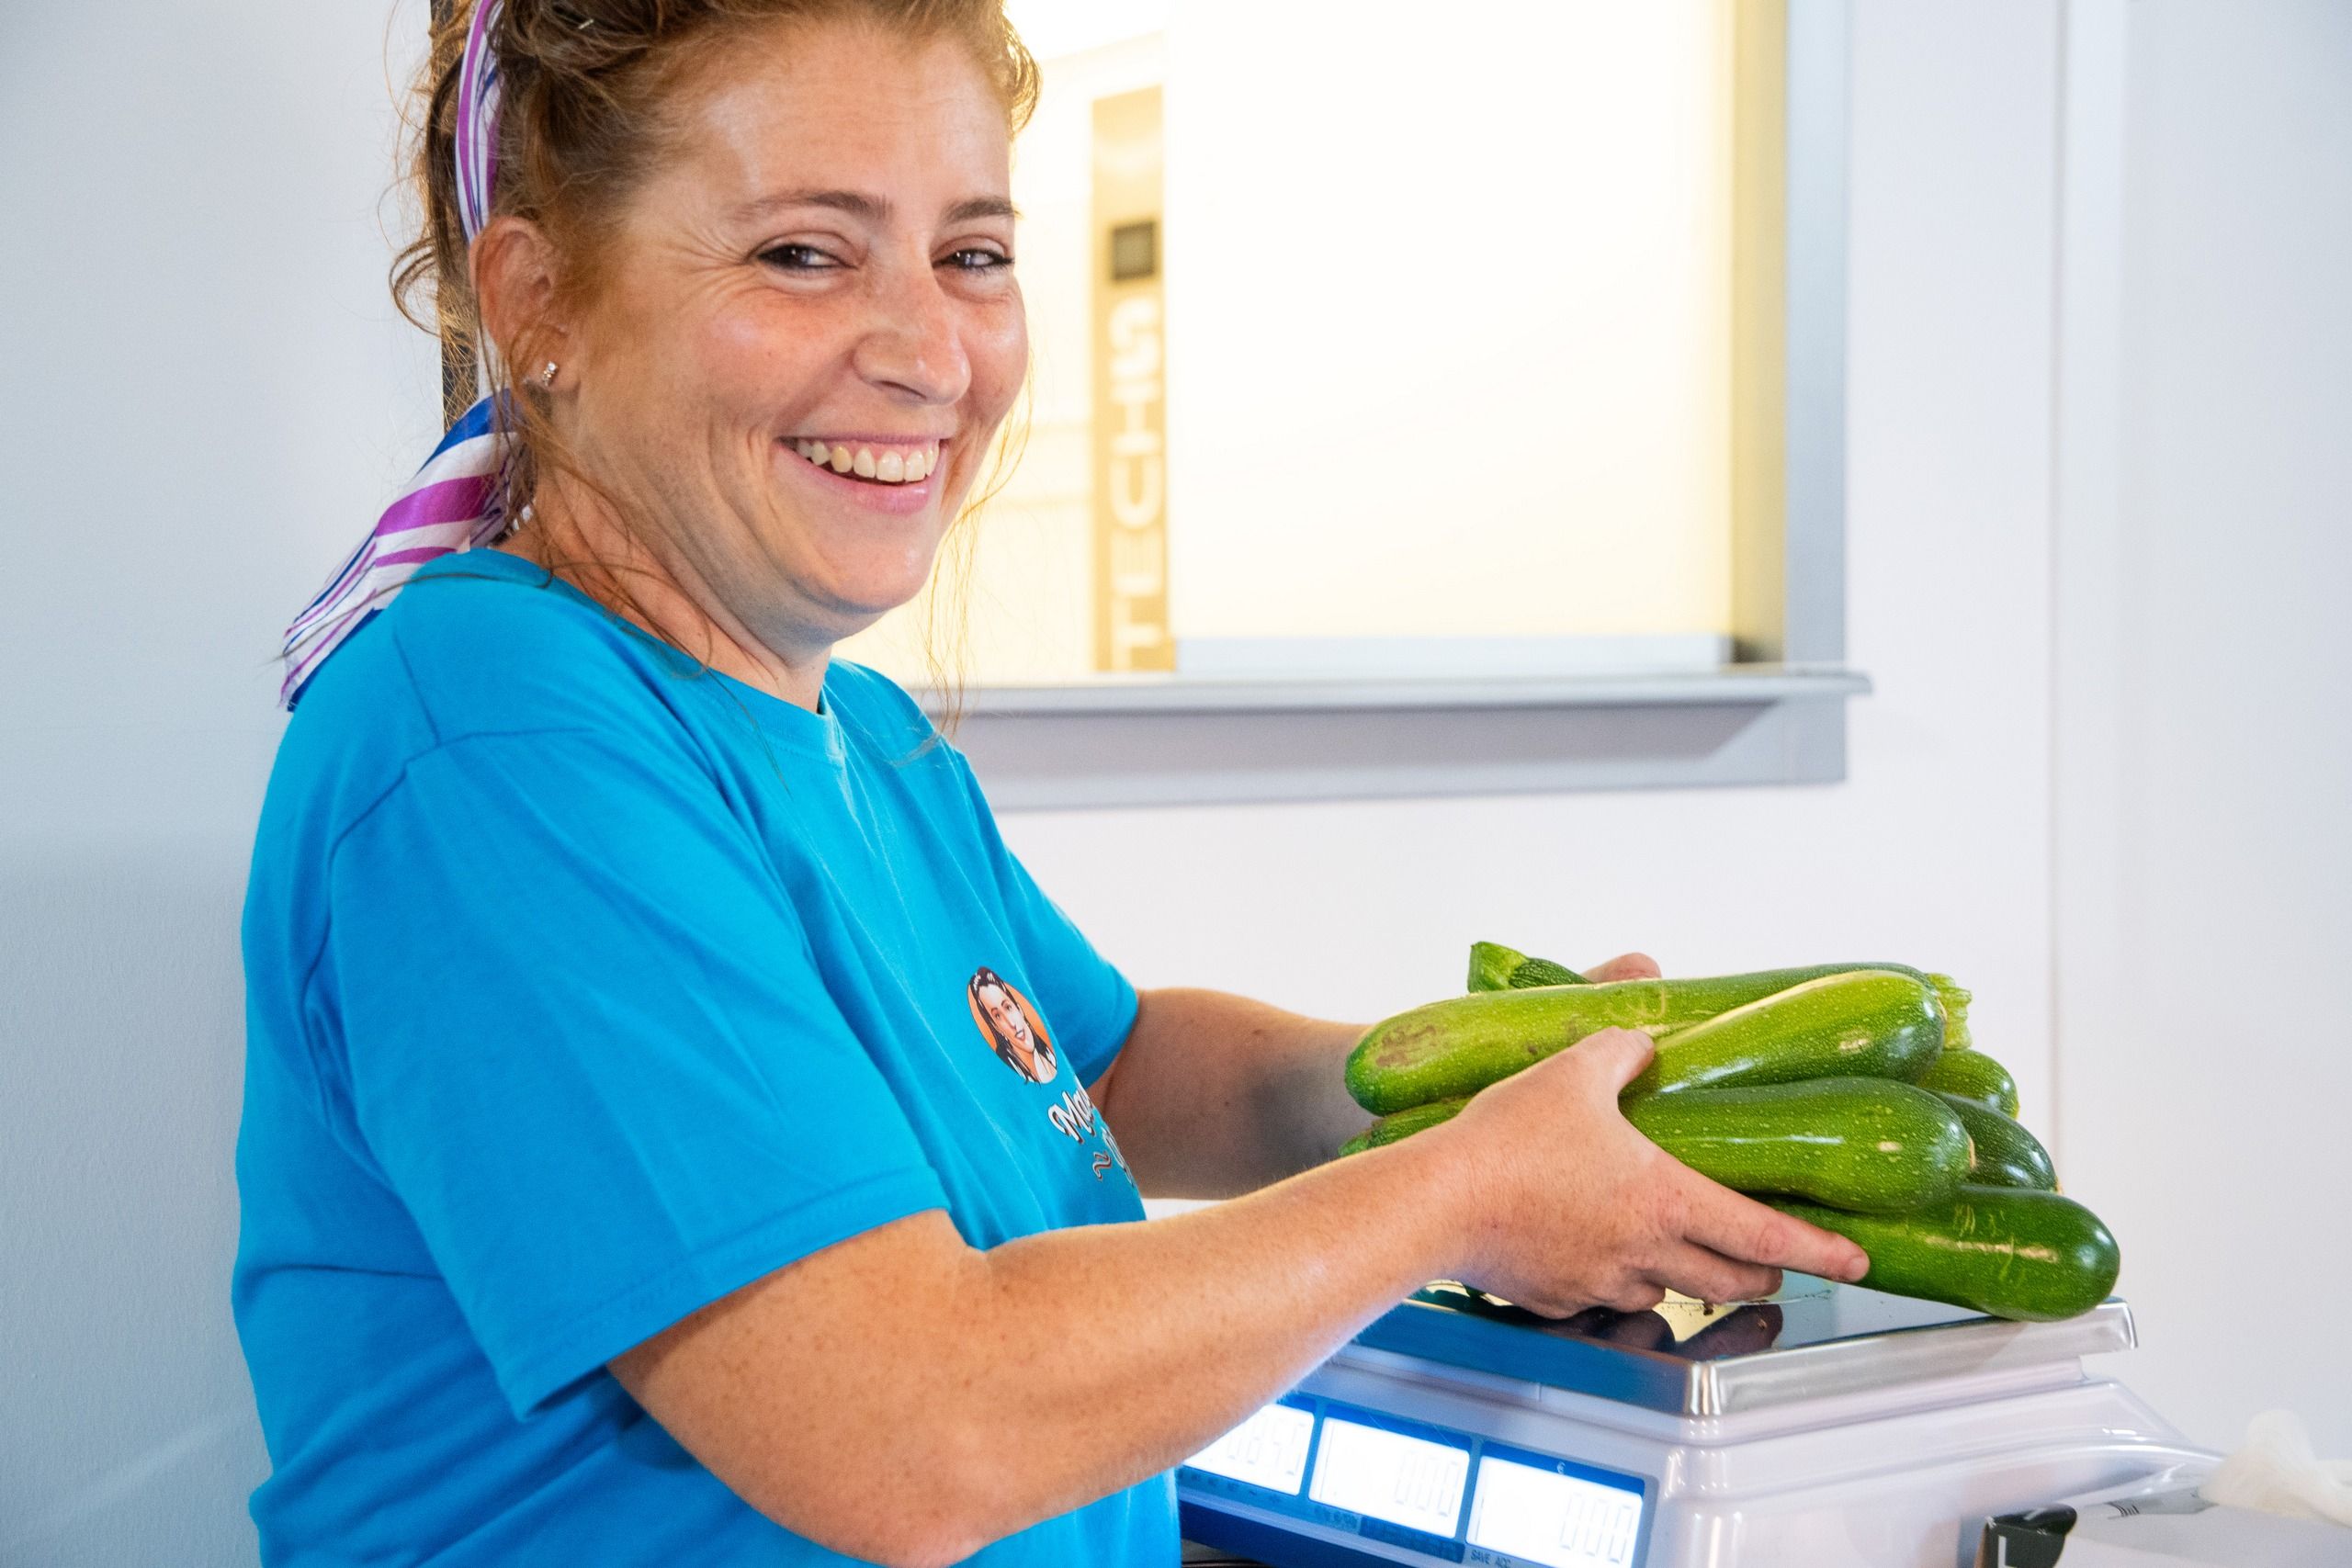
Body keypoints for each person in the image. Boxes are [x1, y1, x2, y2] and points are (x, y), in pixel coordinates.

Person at [232, 2, 1870, 1563]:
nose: (928, 352)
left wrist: (1490, 1081)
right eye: (805, 254)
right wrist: (1462, 1198)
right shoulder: (491, 742)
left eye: (973, 256)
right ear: (540, 307)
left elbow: (1113, 1064)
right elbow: (905, 1426)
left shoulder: (860, 737)